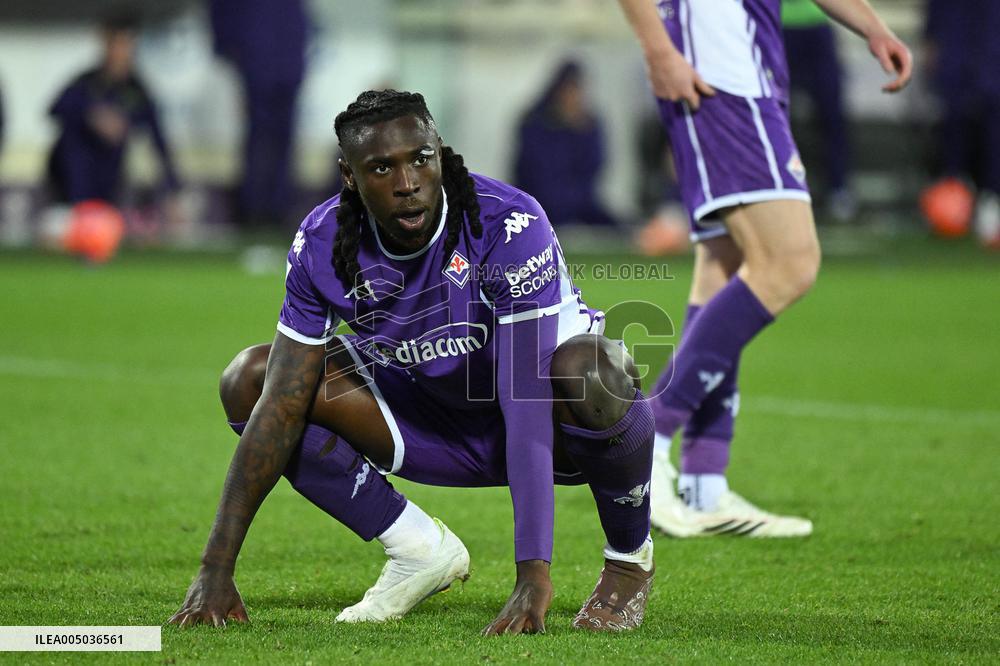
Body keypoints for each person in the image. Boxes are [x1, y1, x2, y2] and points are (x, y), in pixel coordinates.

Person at [168, 90, 656, 634]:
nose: (407, 183)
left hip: (551, 424)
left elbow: (525, 402)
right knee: (250, 380)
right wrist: (215, 568)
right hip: (429, 417)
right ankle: (418, 548)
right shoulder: (322, 242)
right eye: (382, 168)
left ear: (440, 154)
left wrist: (532, 576)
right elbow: (281, 403)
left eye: (421, 159)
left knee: (594, 369)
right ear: (349, 176)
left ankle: (628, 561)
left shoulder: (508, 224)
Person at [615, 0, 911, 537]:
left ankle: (705, 483)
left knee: (726, 265)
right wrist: (658, 50)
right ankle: (647, 443)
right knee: (790, 263)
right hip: (720, 73)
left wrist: (871, 27)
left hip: (745, 71)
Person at [45, 10, 179, 205]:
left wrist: (173, 191)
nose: (121, 51)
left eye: (126, 43)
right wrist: (93, 116)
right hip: (71, 187)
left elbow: (158, 142)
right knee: (72, 137)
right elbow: (54, 110)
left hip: (110, 187)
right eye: (116, 43)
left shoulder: (138, 91)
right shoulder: (86, 83)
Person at [209, 0, 308, 228]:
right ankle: (253, 207)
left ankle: (277, 207)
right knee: (259, 136)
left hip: (286, 59)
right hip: (258, 57)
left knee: (282, 137)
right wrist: (226, 46)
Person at [923, 0, 1000, 247]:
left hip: (989, 47)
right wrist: (932, 44)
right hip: (956, 49)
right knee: (953, 128)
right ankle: (954, 201)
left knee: (994, 130)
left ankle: (991, 201)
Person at [513, 60, 619, 228]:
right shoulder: (535, 124)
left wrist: (583, 135)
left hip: (579, 205)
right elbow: (537, 177)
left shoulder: (588, 125)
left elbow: (593, 171)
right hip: (537, 204)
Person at [783, 0, 856, 221]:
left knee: (832, 114)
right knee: (776, 116)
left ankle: (838, 188)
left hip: (817, 25)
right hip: (778, 27)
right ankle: (779, 190)